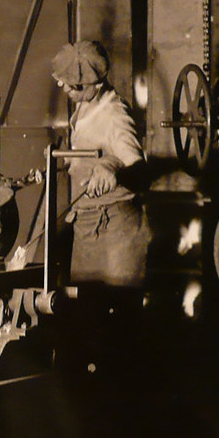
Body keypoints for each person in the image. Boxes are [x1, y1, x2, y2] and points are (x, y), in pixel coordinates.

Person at [51, 40, 150, 288]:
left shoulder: (115, 115)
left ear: (95, 84)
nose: (65, 88)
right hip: (86, 224)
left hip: (115, 228)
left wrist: (115, 172)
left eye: (73, 85)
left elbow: (142, 174)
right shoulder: (84, 106)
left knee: (115, 306)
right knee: (84, 305)